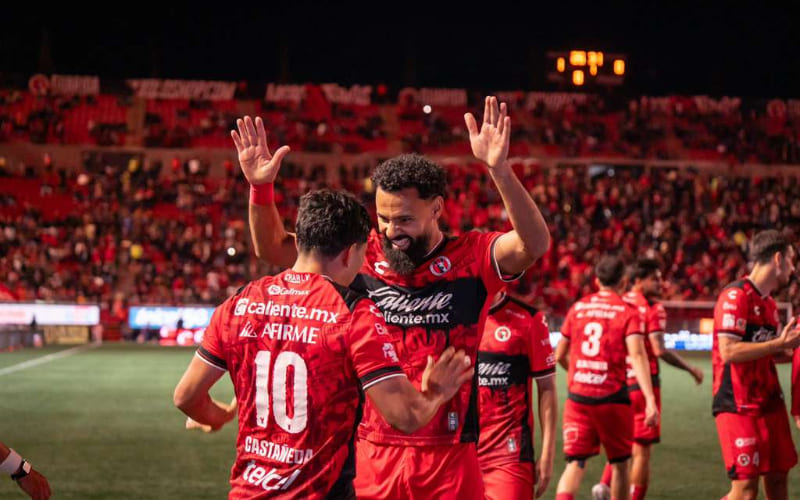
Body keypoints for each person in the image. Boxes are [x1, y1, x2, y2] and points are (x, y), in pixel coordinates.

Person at [233, 96, 550, 499]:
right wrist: (261, 188)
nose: (389, 230)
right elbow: (273, 248)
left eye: (404, 219)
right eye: (383, 217)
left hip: (449, 453)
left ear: (437, 209)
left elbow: (533, 243)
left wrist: (500, 171)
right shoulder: (360, 253)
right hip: (371, 449)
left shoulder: (472, 257)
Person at [173, 189, 474, 499]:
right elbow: (405, 416)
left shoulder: (241, 301)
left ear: (300, 240)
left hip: (247, 492)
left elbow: (186, 396)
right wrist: (436, 393)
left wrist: (219, 417)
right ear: (349, 253)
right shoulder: (353, 312)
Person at [592, 259, 704, 500]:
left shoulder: (618, 302)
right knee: (641, 451)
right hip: (643, 386)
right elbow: (659, 349)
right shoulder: (653, 308)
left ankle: (604, 484)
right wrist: (690, 368)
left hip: (616, 382)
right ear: (638, 281)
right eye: (656, 278)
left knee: (621, 442)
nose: (662, 283)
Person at [554, 255, 659, 500]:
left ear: (597, 280)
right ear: (624, 281)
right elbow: (637, 355)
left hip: (578, 398)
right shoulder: (627, 312)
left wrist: (580, 373)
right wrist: (650, 399)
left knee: (575, 464)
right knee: (621, 463)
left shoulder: (578, 307)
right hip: (612, 399)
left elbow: (559, 354)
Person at [711, 230, 800, 500]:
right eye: (791, 260)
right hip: (738, 405)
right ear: (777, 258)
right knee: (745, 491)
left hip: (770, 403)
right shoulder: (734, 296)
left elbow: (767, 353)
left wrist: (790, 348)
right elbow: (728, 351)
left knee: (778, 478)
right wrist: (777, 344)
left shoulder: (770, 304)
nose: (794, 268)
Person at [476, 290, 557, 499]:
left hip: (509, 454)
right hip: (461, 451)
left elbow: (547, 387)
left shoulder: (528, 319)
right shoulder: (455, 314)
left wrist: (548, 453)